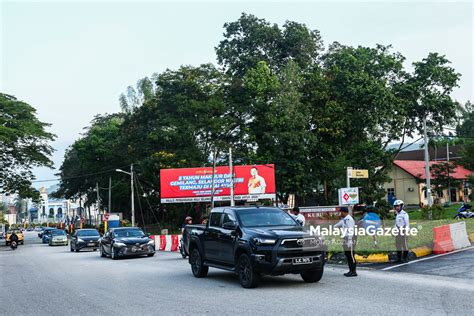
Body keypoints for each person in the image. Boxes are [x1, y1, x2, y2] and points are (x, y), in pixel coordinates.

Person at [334, 207, 357, 277]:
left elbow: (350, 230)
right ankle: (350, 270)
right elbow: (336, 226)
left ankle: (354, 272)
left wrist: (350, 240)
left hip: (350, 238)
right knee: (347, 255)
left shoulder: (349, 219)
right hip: (345, 238)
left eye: (340, 212)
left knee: (351, 255)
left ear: (344, 212)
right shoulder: (344, 219)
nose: (339, 213)